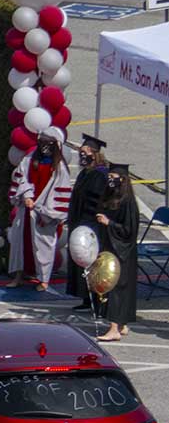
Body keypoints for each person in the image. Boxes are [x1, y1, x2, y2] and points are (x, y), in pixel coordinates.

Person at [7, 132, 71, 291]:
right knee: (20, 243)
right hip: (26, 210)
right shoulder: (28, 160)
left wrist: (47, 212)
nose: (44, 147)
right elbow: (20, 179)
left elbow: (60, 193)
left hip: (44, 213)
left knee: (43, 246)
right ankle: (19, 275)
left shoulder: (59, 167)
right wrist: (27, 196)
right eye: (42, 143)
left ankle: (43, 280)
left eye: (48, 144)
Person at [66, 134, 109, 310]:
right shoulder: (86, 173)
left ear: (95, 154)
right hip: (80, 223)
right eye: (81, 152)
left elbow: (97, 202)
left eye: (86, 152)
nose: (82, 155)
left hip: (92, 225)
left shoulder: (100, 175)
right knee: (81, 260)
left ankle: (98, 300)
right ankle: (86, 297)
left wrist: (86, 221)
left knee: (92, 262)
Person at [96, 163, 139, 342]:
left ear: (122, 179)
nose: (110, 179)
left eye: (113, 176)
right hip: (111, 247)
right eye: (109, 175)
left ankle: (114, 327)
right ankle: (121, 324)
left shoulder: (128, 201)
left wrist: (109, 223)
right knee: (116, 286)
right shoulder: (111, 194)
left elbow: (129, 230)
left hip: (122, 250)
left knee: (116, 286)